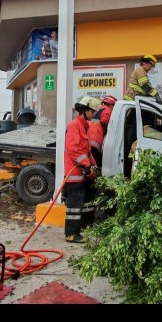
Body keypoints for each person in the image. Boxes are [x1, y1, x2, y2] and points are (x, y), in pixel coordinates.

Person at [64, 96, 100, 244]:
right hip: (74, 174)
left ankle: (83, 227)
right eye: (92, 111)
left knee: (84, 203)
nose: (94, 114)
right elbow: (73, 149)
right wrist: (86, 164)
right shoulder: (74, 125)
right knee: (74, 206)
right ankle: (71, 234)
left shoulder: (84, 126)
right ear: (84, 110)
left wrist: (93, 164)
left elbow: (86, 150)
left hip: (81, 174)